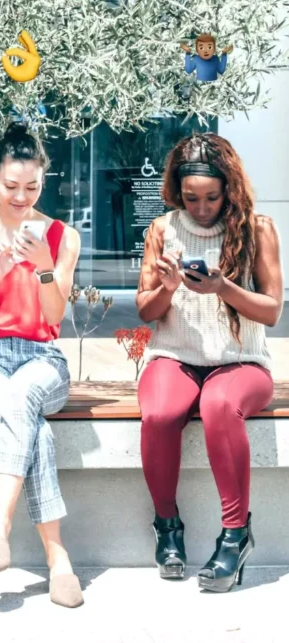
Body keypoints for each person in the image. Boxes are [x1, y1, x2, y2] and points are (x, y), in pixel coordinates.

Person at [136, 133, 281, 592]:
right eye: (191, 197)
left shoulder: (258, 228)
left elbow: (272, 310)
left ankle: (236, 535)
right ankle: (167, 526)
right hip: (175, 356)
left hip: (241, 362)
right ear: (177, 191)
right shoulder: (162, 229)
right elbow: (145, 312)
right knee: (159, 412)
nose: (201, 208)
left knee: (220, 405)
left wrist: (223, 288)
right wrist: (168, 287)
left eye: (212, 198)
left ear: (230, 188)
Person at [0, 122, 83, 608]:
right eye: (11, 187)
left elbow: (53, 317)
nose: (21, 197)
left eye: (32, 187)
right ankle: (58, 558)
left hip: (42, 359)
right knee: (35, 431)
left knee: (24, 394)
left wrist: (44, 264)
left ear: (43, 181)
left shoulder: (64, 237)